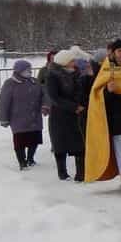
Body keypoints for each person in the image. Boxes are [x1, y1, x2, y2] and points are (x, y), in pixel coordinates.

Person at [84, 39, 121, 197]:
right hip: (118, 119)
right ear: (114, 54)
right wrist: (108, 92)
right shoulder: (107, 70)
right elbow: (97, 96)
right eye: (120, 51)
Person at [0, 60, 48, 170]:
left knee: (35, 138)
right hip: (18, 118)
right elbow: (3, 102)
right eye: (26, 70)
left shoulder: (35, 82)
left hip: (34, 117)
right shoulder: (10, 83)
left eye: (29, 69)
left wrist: (45, 106)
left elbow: (44, 95)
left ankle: (30, 159)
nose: (29, 72)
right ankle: (22, 162)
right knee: (20, 140)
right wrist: (4, 119)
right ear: (19, 71)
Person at [46, 49, 88, 181]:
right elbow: (54, 97)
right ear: (64, 62)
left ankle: (81, 174)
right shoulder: (52, 76)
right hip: (59, 115)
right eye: (71, 61)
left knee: (79, 144)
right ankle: (62, 173)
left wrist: (80, 104)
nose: (74, 63)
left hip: (76, 115)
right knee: (60, 145)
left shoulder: (76, 73)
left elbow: (80, 90)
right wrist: (74, 107)